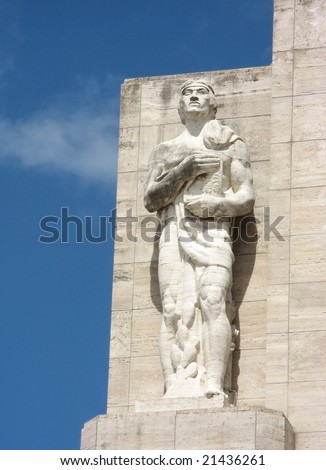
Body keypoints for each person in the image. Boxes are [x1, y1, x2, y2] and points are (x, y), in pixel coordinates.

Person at [144, 80, 254, 399]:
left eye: (202, 92)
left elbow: (246, 195)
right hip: (172, 231)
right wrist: (184, 170)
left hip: (214, 230)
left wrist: (217, 205)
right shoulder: (165, 150)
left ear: (213, 105)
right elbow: (151, 199)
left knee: (214, 299)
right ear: (179, 108)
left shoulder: (230, 144)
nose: (193, 96)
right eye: (187, 93)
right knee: (171, 308)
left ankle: (214, 382)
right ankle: (176, 385)